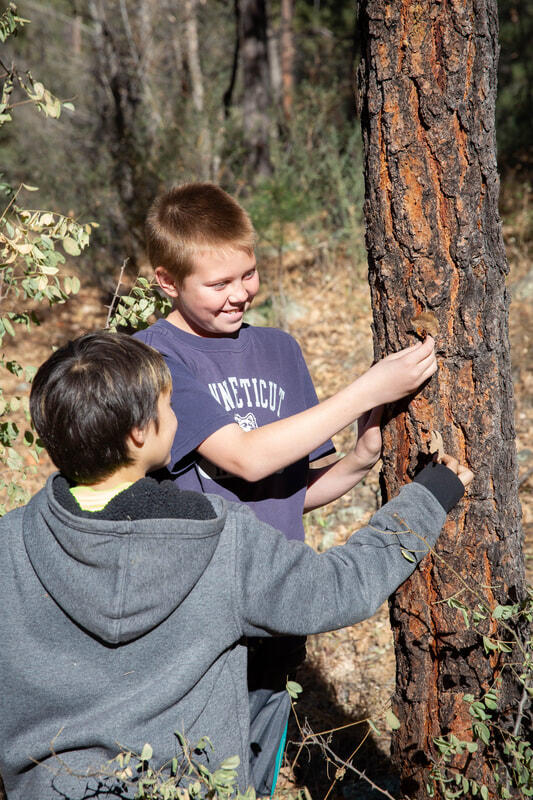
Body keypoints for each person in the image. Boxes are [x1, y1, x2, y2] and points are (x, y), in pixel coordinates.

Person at [0, 332, 473, 800]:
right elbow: (339, 588)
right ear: (139, 433)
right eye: (168, 405)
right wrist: (428, 498)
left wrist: (356, 460)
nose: (176, 415)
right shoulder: (217, 541)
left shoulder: (10, 544)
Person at [134, 182, 438, 793]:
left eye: (247, 274)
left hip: (278, 603)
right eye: (217, 284)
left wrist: (358, 460)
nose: (239, 293)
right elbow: (245, 460)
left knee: (258, 761)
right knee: (198, 771)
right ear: (167, 282)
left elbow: (288, 490)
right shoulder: (151, 360)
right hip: (199, 615)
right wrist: (365, 390)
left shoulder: (278, 350)